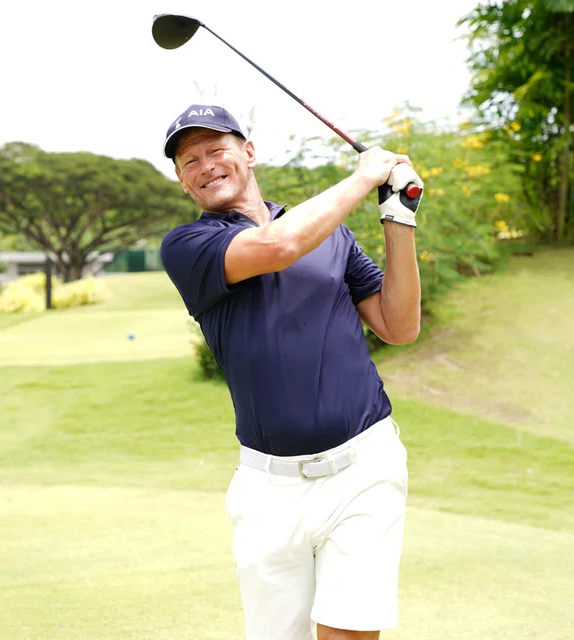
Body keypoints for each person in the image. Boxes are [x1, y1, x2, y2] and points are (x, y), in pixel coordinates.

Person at [159, 105, 424, 640]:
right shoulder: (189, 247)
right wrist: (363, 176)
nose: (205, 165)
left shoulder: (330, 234)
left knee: (348, 632)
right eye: (190, 161)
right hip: (269, 488)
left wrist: (398, 217)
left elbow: (398, 326)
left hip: (363, 468)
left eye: (216, 150)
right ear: (183, 181)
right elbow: (279, 246)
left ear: (248, 153)